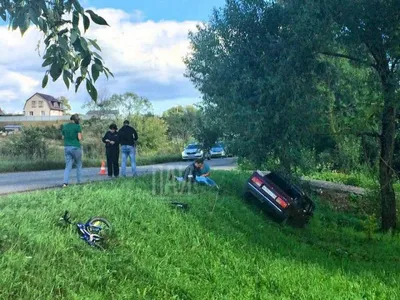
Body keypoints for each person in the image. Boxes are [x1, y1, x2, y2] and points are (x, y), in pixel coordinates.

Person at [62, 114, 82, 187]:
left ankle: (65, 183)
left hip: (67, 147)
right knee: (78, 165)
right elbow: (79, 138)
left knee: (68, 166)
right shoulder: (77, 126)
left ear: (71, 119)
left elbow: (63, 137)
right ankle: (79, 182)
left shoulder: (65, 126)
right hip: (76, 147)